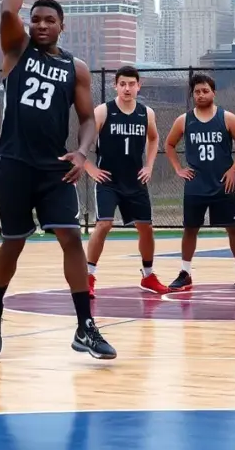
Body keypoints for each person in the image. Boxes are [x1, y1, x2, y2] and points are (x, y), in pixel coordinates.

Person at [0, 0, 116, 360]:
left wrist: (81, 151)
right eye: (35, 19)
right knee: (13, 242)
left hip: (56, 166)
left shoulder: (77, 68)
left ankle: (84, 327)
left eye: (48, 20)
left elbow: (88, 118)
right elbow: (8, 9)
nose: (40, 25)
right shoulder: (16, 50)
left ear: (62, 26)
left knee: (71, 238)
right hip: (15, 162)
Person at [163, 73, 235, 291]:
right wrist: (178, 169)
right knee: (190, 229)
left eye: (205, 91)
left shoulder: (227, 117)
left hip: (223, 183)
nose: (201, 95)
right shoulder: (184, 120)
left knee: (232, 228)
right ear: (192, 94)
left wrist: (233, 169)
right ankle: (186, 273)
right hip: (196, 184)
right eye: (197, 92)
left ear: (213, 92)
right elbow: (169, 145)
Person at [84, 65, 169, 296]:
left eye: (132, 84)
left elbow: (154, 139)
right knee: (104, 224)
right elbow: (82, 144)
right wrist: (90, 168)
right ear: (116, 86)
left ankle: (148, 276)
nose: (127, 88)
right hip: (109, 180)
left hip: (135, 181)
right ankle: (88, 276)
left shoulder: (146, 113)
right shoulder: (103, 111)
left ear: (139, 86)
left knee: (147, 228)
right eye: (123, 84)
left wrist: (149, 165)